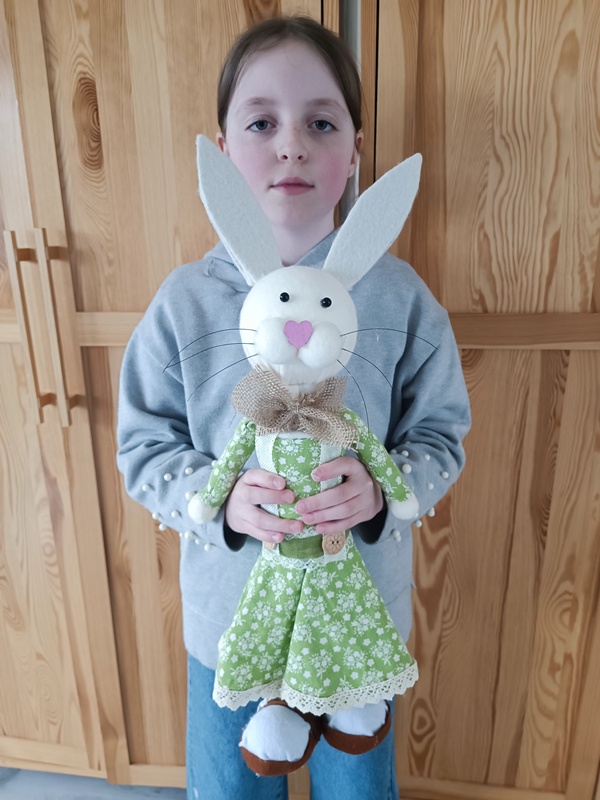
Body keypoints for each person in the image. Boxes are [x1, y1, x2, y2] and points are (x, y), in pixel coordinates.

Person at [117, 15, 471, 800]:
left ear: (356, 151)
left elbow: (441, 433)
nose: (291, 146)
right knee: (229, 789)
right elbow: (143, 446)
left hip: (357, 627)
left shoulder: (399, 297)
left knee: (359, 788)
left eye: (321, 122)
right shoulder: (184, 303)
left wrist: (381, 491)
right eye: (261, 123)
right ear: (222, 153)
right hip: (228, 626)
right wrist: (218, 501)